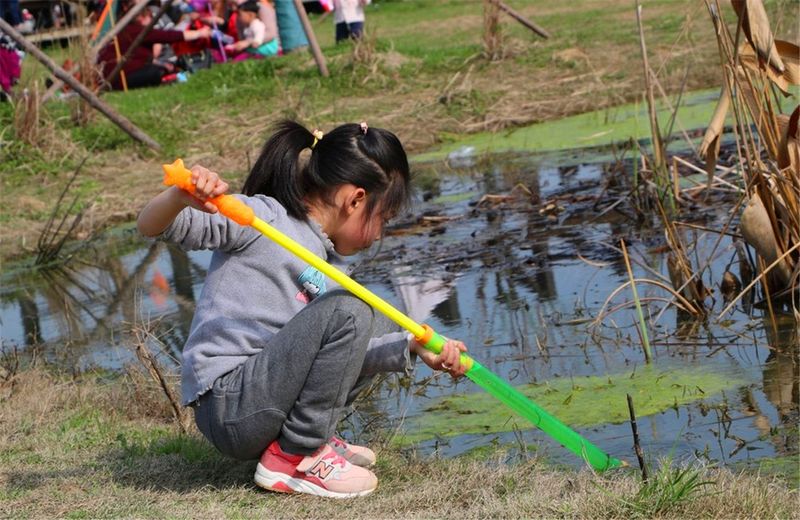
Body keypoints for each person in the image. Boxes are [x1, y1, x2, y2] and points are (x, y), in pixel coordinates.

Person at [137, 120, 469, 498]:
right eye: (383, 219)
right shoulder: (263, 218)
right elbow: (152, 226)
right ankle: (297, 454)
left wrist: (411, 346)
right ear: (355, 200)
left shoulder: (332, 266)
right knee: (351, 310)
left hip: (263, 402)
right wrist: (180, 197)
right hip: (229, 405)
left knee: (378, 316)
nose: (379, 234)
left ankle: (311, 437)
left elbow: (346, 358)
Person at [96, 4, 211, 90]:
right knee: (157, 72)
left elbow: (140, 58)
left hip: (109, 80)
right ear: (143, 17)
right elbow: (170, 36)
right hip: (120, 79)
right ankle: (182, 78)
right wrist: (199, 33)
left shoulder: (122, 31)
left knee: (166, 68)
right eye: (151, 17)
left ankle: (183, 77)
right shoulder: (140, 31)